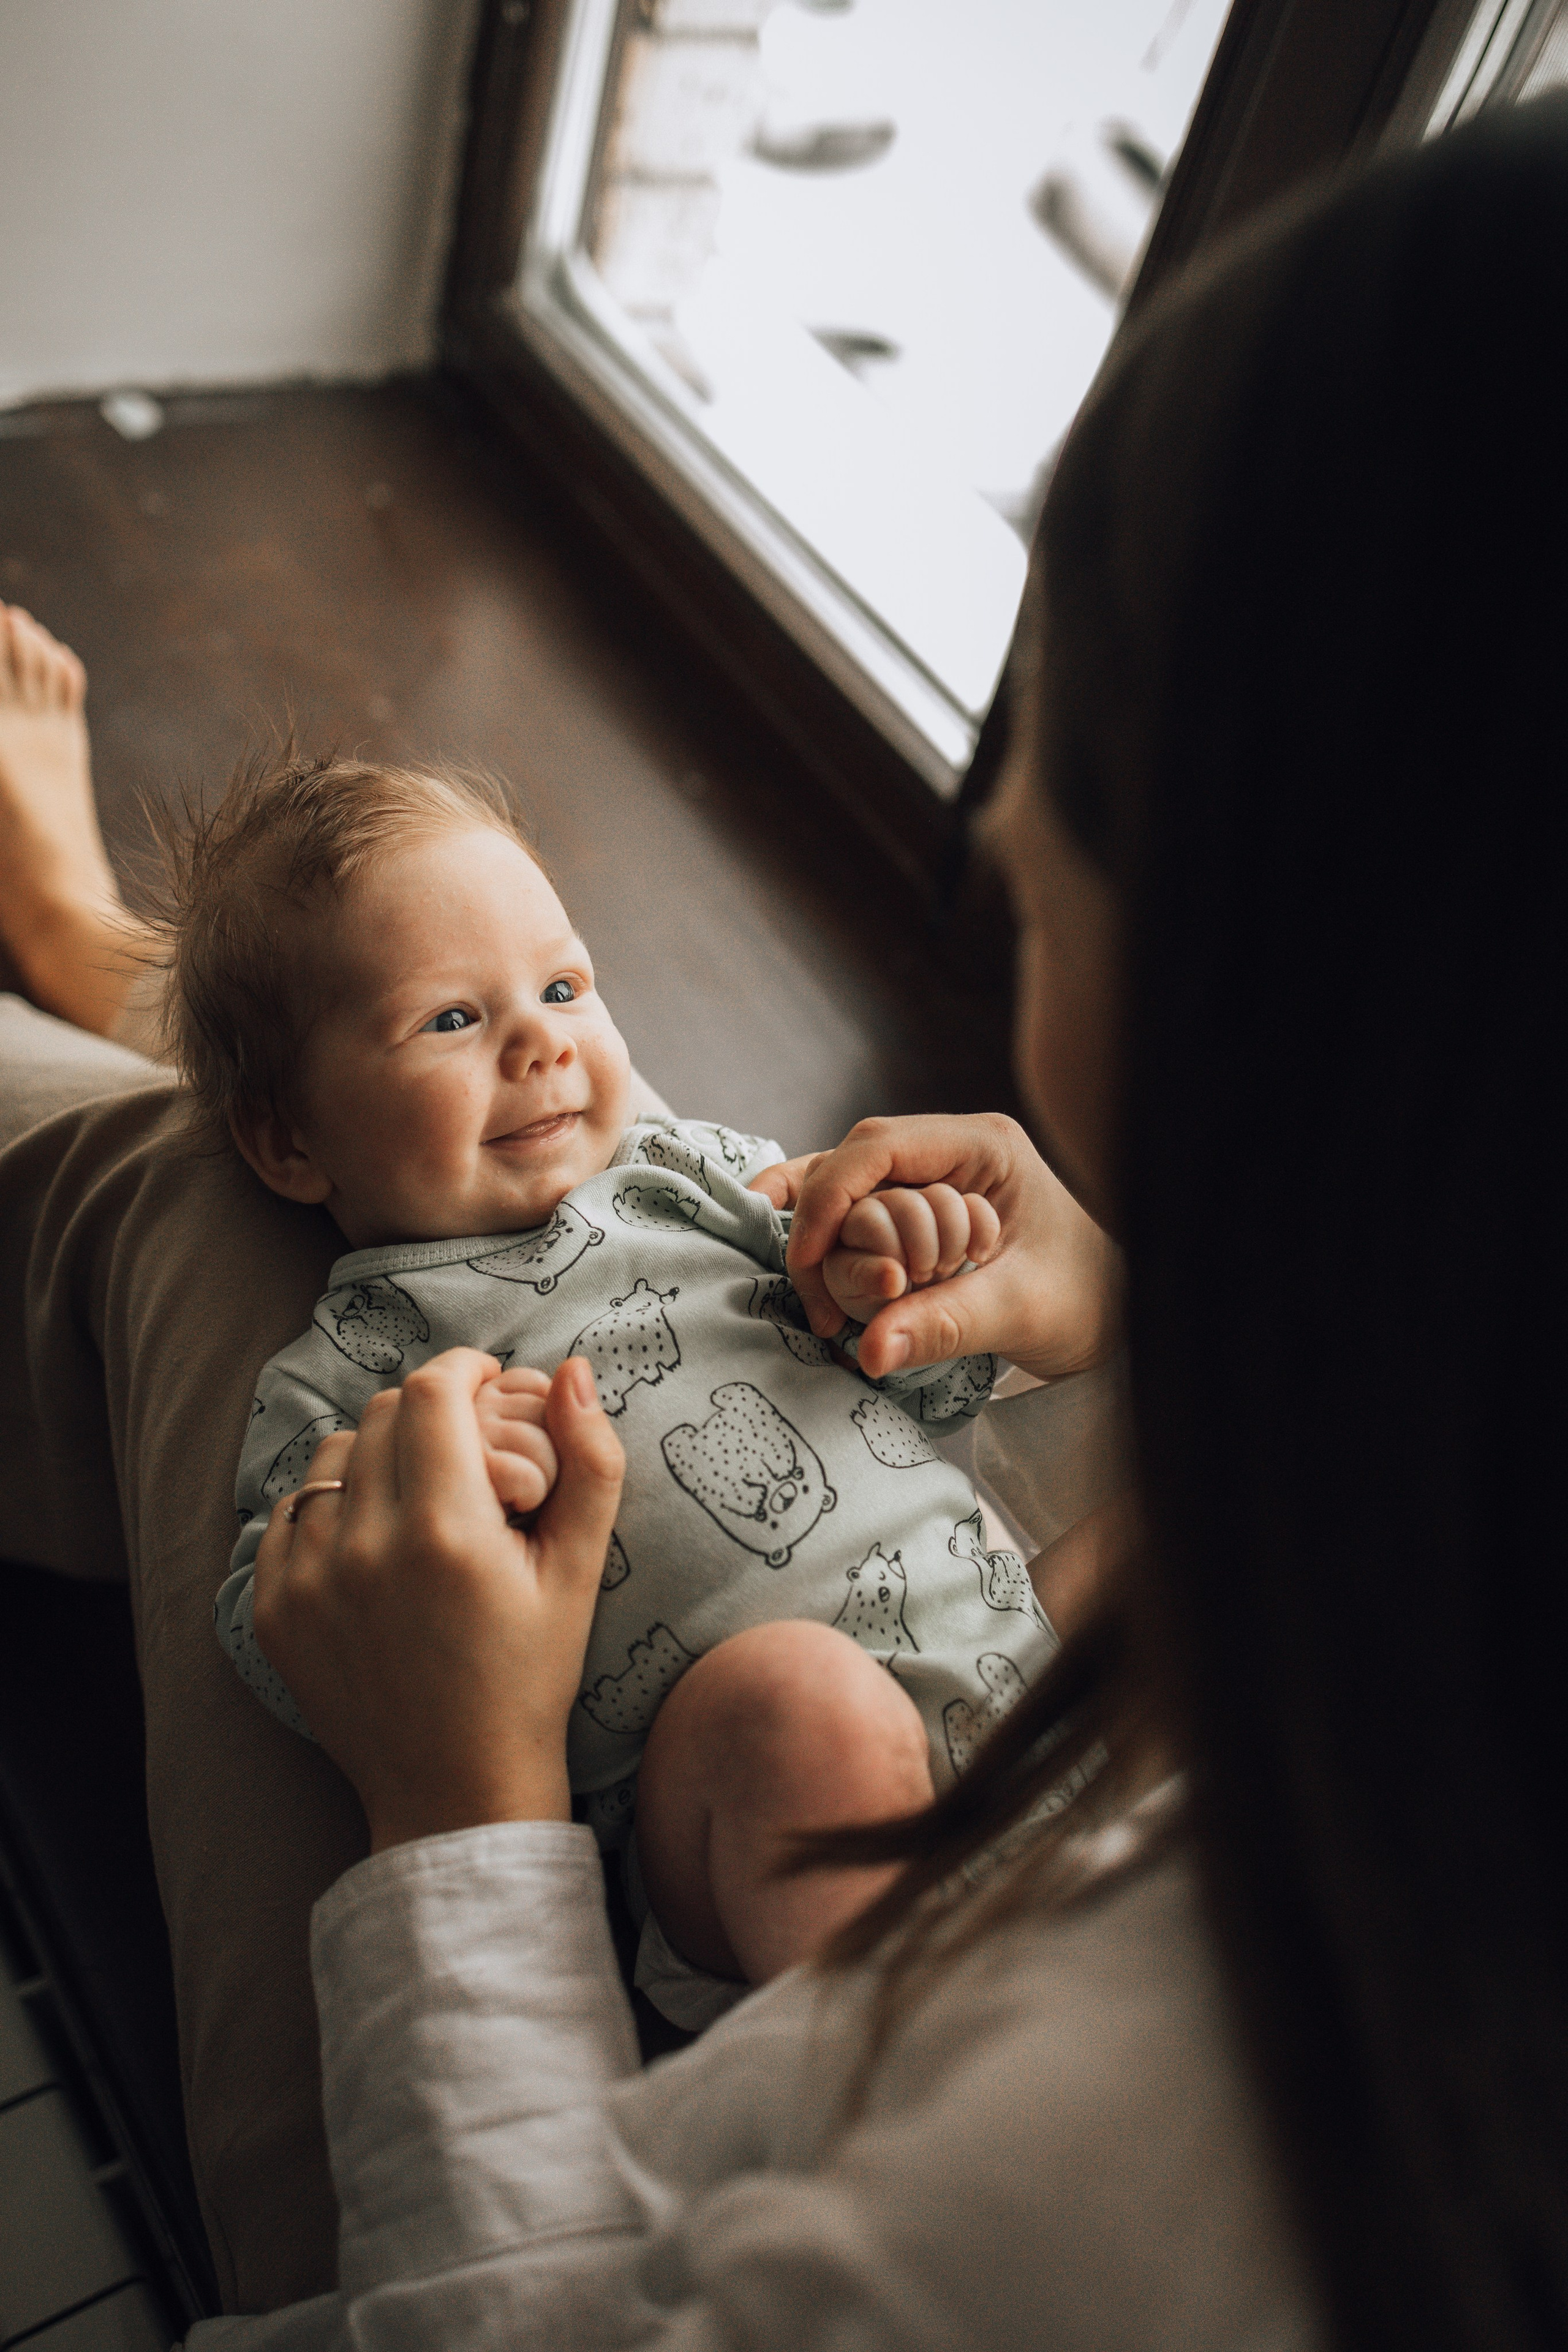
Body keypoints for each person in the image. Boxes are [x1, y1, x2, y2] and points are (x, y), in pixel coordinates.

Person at [2, 91, 1562, 2350]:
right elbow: (302, 1545)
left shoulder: (1063, 2219)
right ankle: (114, 956)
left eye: (1023, 883)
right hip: (952, 1685)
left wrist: (457, 1790)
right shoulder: (1376, 1585)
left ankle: (86, 949)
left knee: (149, 1189)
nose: (557, 1045)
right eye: (469, 1019)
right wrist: (1022, 1284)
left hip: (706, 1901)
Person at [160, 751, 1056, 2017]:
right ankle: (919, 2072)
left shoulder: (699, 1176)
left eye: (563, 984)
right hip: (746, 1799)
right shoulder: (356, 1366)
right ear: (290, 1141)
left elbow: (927, 1391)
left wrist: (899, 1287)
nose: (540, 1040)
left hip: (1016, 1667)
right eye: (452, 1020)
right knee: (798, 1705)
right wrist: (427, 1494)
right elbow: (280, 1619)